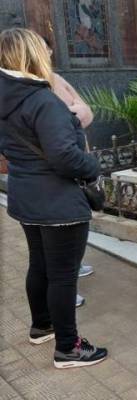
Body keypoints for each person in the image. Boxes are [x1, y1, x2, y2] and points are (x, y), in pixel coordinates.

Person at [0, 28, 107, 368]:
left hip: (26, 196)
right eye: (43, 51)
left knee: (40, 265)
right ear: (33, 55)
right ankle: (68, 348)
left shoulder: (8, 97)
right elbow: (64, 157)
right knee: (62, 275)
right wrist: (92, 165)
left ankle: (42, 325)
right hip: (58, 201)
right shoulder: (42, 99)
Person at [43, 37, 95, 308]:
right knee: (55, 243)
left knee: (72, 233)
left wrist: (77, 114)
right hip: (53, 176)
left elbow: (84, 109)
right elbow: (62, 124)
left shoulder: (55, 78)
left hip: (71, 165)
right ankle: (62, 292)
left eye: (48, 47)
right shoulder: (31, 88)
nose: (47, 53)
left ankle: (72, 269)